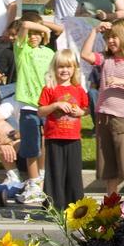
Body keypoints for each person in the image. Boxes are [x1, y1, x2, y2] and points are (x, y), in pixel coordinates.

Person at [82, 18, 124, 215]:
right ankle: (111, 200)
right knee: (108, 162)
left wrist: (122, 83)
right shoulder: (106, 60)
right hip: (104, 117)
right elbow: (85, 54)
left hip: (123, 118)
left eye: (115, 37)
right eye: (109, 37)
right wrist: (95, 30)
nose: (110, 41)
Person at [8, 14, 61, 206]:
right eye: (31, 34)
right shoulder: (22, 50)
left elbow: (59, 30)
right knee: (31, 145)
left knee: (47, 141)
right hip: (29, 105)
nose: (34, 37)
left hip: (46, 104)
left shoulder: (48, 52)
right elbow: (23, 25)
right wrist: (43, 28)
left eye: (37, 34)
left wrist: (44, 29)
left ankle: (44, 176)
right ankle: (33, 181)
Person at [37, 48, 90, 212]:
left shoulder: (79, 89)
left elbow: (86, 110)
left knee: (73, 173)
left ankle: (75, 206)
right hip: (54, 136)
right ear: (54, 68)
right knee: (55, 172)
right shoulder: (49, 88)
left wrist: (80, 112)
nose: (65, 70)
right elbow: (40, 111)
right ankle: (54, 206)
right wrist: (55, 105)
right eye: (61, 67)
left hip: (73, 137)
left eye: (68, 67)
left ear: (74, 69)